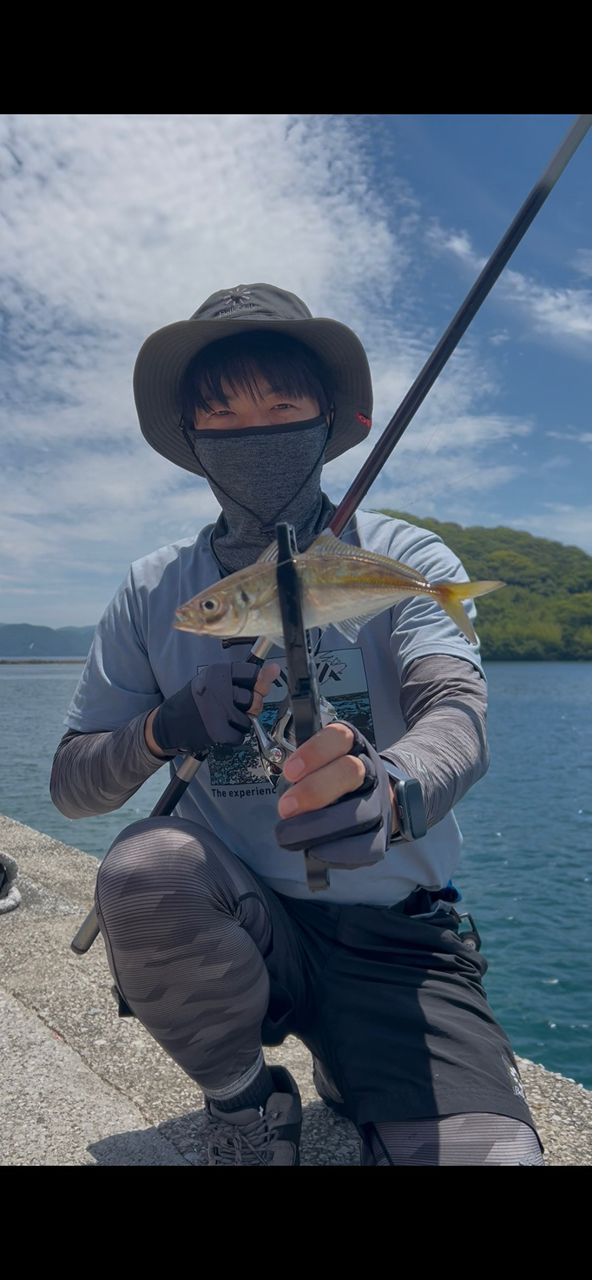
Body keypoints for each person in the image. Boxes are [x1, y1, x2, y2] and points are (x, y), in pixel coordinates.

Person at [51, 283, 544, 1166]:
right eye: (223, 414)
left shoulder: (405, 556)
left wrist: (392, 790)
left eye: (281, 406)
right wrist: (163, 728)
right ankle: (245, 1103)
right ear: (191, 437)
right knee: (144, 866)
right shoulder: (152, 589)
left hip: (397, 937)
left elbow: (456, 713)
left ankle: (356, 1065)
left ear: (328, 422)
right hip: (241, 923)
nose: (255, 432)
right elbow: (72, 785)